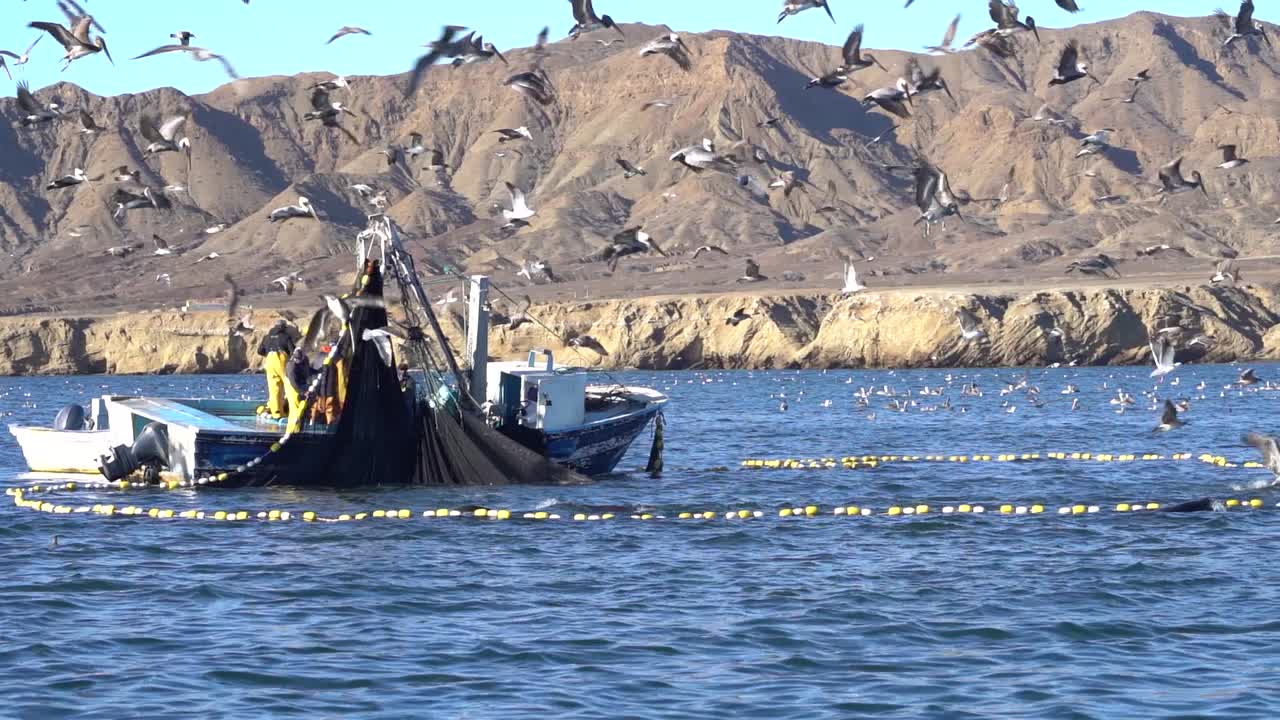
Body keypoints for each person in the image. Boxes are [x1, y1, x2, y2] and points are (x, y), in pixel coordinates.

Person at [256, 319, 294, 419]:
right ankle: (292, 412)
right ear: (283, 328)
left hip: (270, 363)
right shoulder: (286, 337)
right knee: (289, 386)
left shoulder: (266, 337)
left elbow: (259, 351)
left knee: (274, 389)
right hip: (282, 361)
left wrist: (268, 353)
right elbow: (292, 352)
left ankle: (277, 414)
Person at [284, 346, 313, 432]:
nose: (298, 360)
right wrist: (303, 392)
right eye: (296, 359)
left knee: (303, 406)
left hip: (301, 384)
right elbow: (294, 383)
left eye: (300, 358)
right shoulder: (291, 366)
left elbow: (307, 371)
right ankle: (293, 430)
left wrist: (318, 371)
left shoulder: (305, 360)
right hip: (292, 385)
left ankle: (302, 426)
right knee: (295, 407)